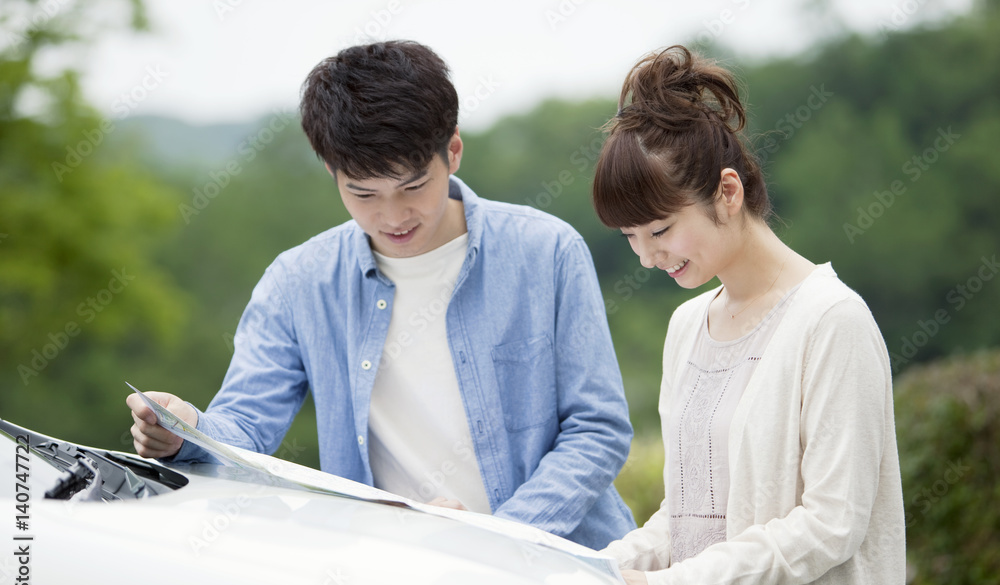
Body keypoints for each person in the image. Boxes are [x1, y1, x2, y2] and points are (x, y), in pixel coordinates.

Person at [126, 40, 636, 549]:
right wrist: (186, 432)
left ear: (453, 151)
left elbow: (597, 428)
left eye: (413, 187)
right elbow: (245, 430)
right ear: (331, 170)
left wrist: (497, 539)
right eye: (363, 194)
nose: (392, 217)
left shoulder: (545, 251)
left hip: (562, 567)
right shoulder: (299, 282)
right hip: (397, 576)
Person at [591, 45, 907, 585]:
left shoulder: (831, 321)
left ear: (727, 192)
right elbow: (689, 512)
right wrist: (603, 567)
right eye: (630, 237)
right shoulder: (687, 326)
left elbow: (829, 525)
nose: (647, 257)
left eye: (659, 230)